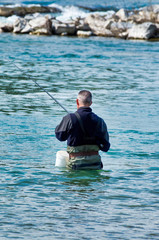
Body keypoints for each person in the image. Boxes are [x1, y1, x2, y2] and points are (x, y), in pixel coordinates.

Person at [55, 90, 110, 170]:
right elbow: (106, 147)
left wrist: (63, 123)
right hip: (95, 164)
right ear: (91, 103)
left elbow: (60, 137)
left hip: (76, 165)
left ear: (77, 101)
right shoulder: (100, 121)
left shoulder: (70, 118)